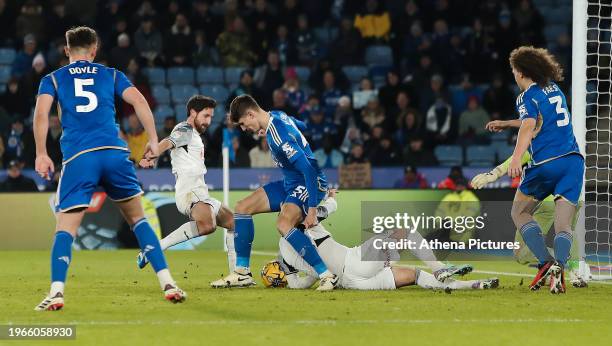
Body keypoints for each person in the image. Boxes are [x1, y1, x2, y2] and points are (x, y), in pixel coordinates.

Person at [33, 27, 185, 311]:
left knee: (65, 229)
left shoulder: (52, 79)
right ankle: (168, 282)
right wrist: (154, 141)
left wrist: (42, 153)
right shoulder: (111, 74)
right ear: (94, 50)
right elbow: (139, 101)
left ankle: (56, 292)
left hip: (80, 157)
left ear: (67, 51)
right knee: (139, 221)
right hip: (115, 153)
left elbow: (42, 114)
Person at [211, 94, 338, 291]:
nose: (244, 129)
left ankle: (327, 275)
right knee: (242, 208)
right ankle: (242, 273)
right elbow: (302, 125)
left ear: (252, 114)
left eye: (244, 124)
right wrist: (292, 133)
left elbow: (309, 170)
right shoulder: (278, 116)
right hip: (291, 183)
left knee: (283, 223)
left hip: (309, 183)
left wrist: (312, 208)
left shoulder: (280, 135)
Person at [485, 46, 584, 294]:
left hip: (546, 164)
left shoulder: (526, 95)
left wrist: (517, 157)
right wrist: (508, 123)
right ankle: (558, 268)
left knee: (519, 212)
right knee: (564, 225)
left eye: (513, 71)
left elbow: (529, 125)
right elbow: (539, 120)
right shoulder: (554, 89)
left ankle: (544, 262)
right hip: (572, 162)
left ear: (520, 72)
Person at [271, 192, 490, 290]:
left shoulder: (284, 252)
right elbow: (331, 207)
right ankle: (440, 269)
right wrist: (331, 196)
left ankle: (472, 285)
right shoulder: (308, 220)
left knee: (413, 276)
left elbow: (301, 284)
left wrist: (284, 276)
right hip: (355, 262)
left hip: (352, 284)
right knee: (406, 233)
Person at [137, 95, 235, 271]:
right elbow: (169, 142)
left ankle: (237, 273)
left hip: (201, 192)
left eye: (211, 117)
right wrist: (154, 153)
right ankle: (155, 248)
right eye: (205, 116)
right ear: (193, 112)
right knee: (207, 225)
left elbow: (169, 141)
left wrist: (154, 150)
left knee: (234, 223)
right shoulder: (186, 128)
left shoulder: (193, 134)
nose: (209, 121)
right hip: (189, 191)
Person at [471, 153, 588, 288]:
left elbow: (518, 157)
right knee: (567, 230)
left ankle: (552, 263)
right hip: (574, 196)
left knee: (521, 252)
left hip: (545, 200)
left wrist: (492, 174)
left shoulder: (538, 140)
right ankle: (575, 273)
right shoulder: (569, 144)